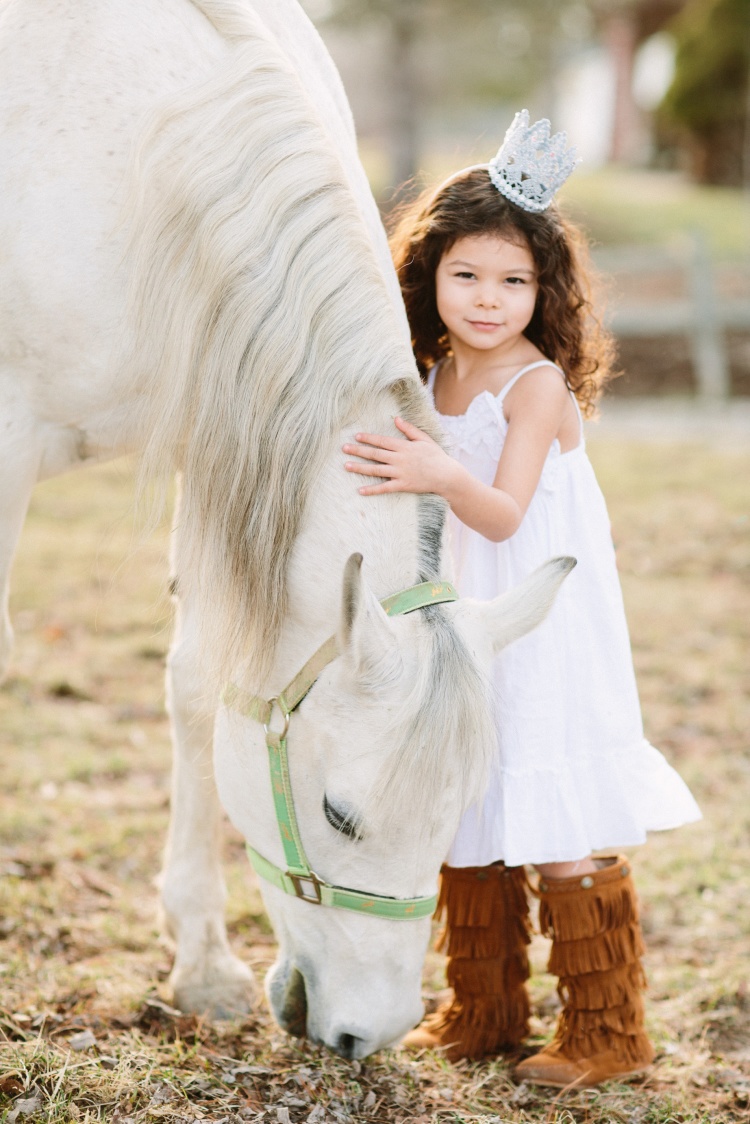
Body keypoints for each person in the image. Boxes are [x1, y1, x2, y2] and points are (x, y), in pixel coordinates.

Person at [342, 111, 701, 1088]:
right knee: (472, 794)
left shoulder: (534, 385)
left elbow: (500, 513)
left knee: (556, 811)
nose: (489, 300)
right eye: (467, 276)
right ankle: (483, 1005)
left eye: (513, 280)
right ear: (429, 275)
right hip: (465, 619)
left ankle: (606, 1026)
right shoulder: (436, 370)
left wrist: (430, 467)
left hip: (541, 623)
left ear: (545, 289)